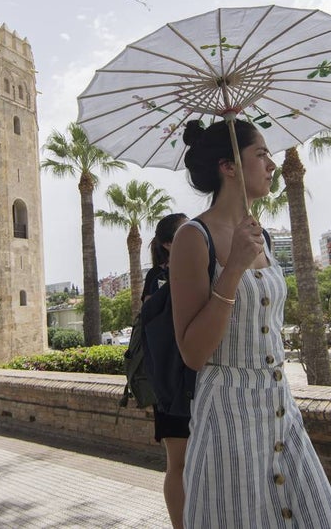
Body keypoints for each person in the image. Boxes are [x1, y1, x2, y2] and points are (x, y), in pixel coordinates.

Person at [170, 119, 331, 527]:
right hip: (227, 412)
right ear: (228, 166)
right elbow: (193, 352)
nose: (272, 164)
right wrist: (232, 270)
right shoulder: (193, 238)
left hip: (281, 406)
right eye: (261, 154)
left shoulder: (260, 236)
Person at [143, 212, 190, 529]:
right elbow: (154, 329)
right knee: (178, 463)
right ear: (168, 244)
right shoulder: (157, 278)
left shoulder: (198, 270)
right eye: (185, 233)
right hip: (172, 383)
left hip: (197, 379)